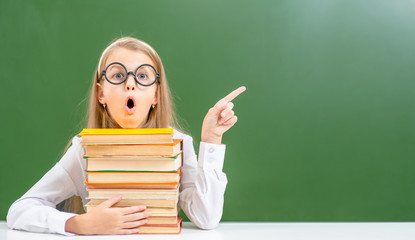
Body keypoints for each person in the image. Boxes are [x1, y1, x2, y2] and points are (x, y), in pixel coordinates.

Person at [7, 36, 246, 235]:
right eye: (118, 75)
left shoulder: (179, 145)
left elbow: (206, 218)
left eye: (142, 76)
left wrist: (211, 141)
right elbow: (19, 210)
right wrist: (79, 224)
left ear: (156, 96)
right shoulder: (84, 150)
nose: (130, 84)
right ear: (101, 94)